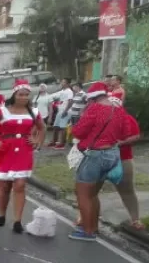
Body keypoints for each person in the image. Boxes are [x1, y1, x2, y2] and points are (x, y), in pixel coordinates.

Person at [0, 79, 46, 233]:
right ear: (15, 94)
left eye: (26, 95)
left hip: (24, 150)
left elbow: (42, 128)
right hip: (6, 150)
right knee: (4, 186)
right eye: (21, 94)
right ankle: (2, 215)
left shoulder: (34, 112)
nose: (24, 97)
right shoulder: (2, 111)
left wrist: (37, 140)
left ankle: (17, 221)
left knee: (20, 185)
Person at [69, 82, 131, 241]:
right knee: (93, 194)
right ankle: (94, 227)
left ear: (92, 98)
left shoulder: (95, 109)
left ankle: (87, 231)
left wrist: (82, 116)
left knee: (82, 193)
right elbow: (125, 133)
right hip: (112, 154)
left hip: (95, 154)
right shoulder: (118, 109)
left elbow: (78, 131)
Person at [49, 78, 74, 148]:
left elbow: (71, 101)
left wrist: (65, 111)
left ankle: (62, 143)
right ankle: (54, 141)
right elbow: (54, 96)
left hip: (66, 111)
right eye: (62, 82)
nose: (62, 83)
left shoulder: (69, 91)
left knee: (63, 127)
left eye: (63, 82)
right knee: (55, 126)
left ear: (68, 84)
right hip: (60, 111)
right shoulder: (62, 91)